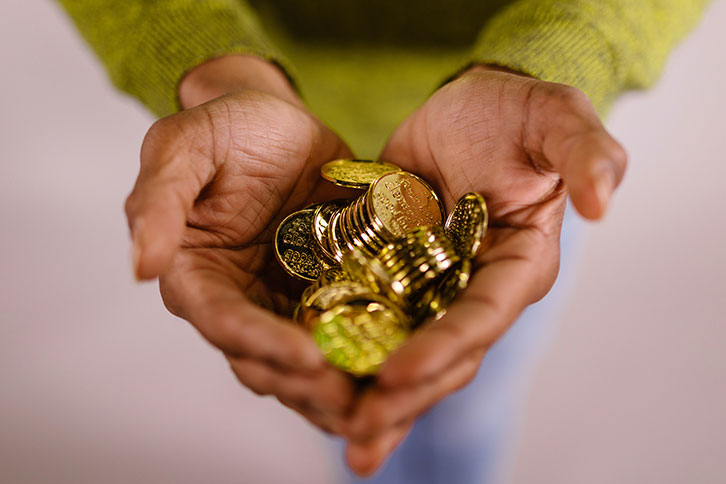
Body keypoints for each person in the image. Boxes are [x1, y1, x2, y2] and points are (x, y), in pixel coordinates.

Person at [57, 1, 709, 482]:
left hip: (511, 165)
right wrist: (210, 61)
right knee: (347, 404)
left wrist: (568, 43)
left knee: (469, 399)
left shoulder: (505, 190)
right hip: (271, 116)